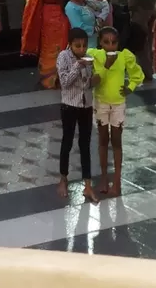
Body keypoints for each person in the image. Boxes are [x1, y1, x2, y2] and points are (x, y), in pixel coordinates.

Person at [90, 26, 145, 198]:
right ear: (100, 42)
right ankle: (104, 179)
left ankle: (118, 181)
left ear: (118, 43)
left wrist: (130, 87)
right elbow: (94, 81)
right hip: (101, 102)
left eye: (114, 43)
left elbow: (138, 74)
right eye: (106, 42)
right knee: (102, 141)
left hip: (118, 104)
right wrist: (105, 65)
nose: (110, 46)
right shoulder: (95, 56)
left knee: (116, 141)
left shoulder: (124, 57)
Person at [55, 27, 97, 203]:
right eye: (77, 46)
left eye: (84, 46)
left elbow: (87, 84)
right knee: (67, 141)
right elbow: (64, 82)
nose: (81, 49)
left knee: (85, 144)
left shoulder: (88, 58)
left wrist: (92, 80)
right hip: (69, 106)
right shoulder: (64, 57)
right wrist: (77, 66)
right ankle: (63, 179)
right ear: (70, 44)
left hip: (86, 105)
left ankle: (88, 184)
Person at [20, 0, 70, 89]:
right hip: (62, 15)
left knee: (47, 48)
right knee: (60, 47)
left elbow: (32, 1)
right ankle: (61, 76)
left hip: (47, 16)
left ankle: (48, 79)